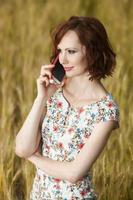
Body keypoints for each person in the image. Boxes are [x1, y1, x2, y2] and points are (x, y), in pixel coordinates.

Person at [15, 16, 120, 200]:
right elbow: (22, 147)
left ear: (92, 53)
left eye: (71, 51)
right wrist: (41, 97)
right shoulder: (54, 91)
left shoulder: (106, 111)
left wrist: (32, 157)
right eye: (60, 51)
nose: (62, 59)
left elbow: (74, 173)